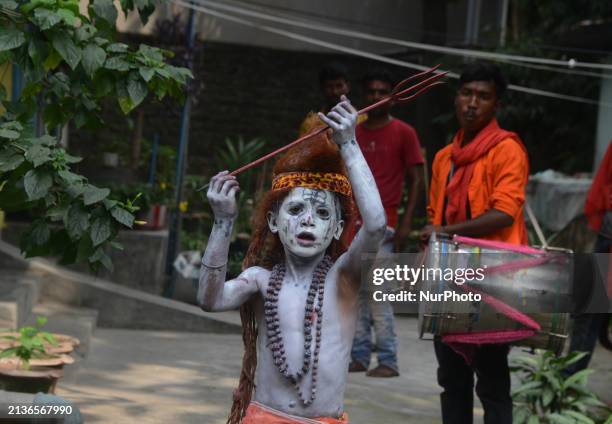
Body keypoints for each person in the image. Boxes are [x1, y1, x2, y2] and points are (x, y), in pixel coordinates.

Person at [198, 96, 386, 423]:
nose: (308, 220)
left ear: (337, 229)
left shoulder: (345, 278)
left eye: (323, 213)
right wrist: (223, 223)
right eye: (296, 209)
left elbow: (376, 225)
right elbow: (209, 299)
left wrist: (350, 145)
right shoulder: (260, 279)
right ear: (273, 221)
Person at [420, 62, 529, 424]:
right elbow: (436, 214)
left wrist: (446, 232)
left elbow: (505, 213)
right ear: (456, 98)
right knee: (451, 378)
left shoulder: (507, 150)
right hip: (449, 276)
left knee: (492, 380)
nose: (472, 103)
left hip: (493, 278)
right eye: (466, 93)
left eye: (483, 97)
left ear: (495, 105)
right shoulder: (443, 158)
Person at [348, 68, 424, 378]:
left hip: (386, 226)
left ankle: (389, 359)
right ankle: (360, 355)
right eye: (371, 92)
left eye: (382, 92)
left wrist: (406, 222)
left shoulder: (404, 132)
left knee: (379, 296)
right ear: (363, 95)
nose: (376, 97)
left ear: (392, 96)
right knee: (356, 294)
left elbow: (417, 179)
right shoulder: (353, 131)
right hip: (352, 226)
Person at [566, 140, 612, 375]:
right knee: (589, 311)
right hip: (605, 231)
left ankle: (569, 379)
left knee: (590, 311)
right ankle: (569, 379)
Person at [299, 62, 365, 137]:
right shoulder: (311, 124)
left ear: (348, 87)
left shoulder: (362, 120)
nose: (334, 92)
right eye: (329, 86)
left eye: (339, 86)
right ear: (322, 88)